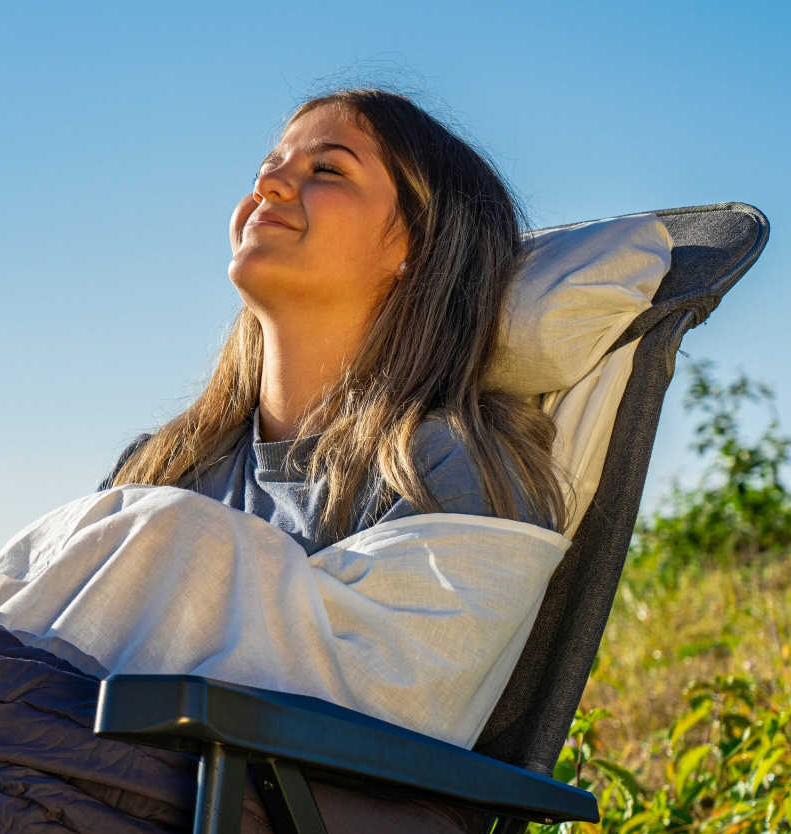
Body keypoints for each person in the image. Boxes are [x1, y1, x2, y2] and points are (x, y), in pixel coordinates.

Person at [100, 88, 566, 552]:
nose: (267, 187)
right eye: (266, 170)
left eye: (326, 169)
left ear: (419, 246)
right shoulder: (158, 467)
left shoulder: (440, 472)